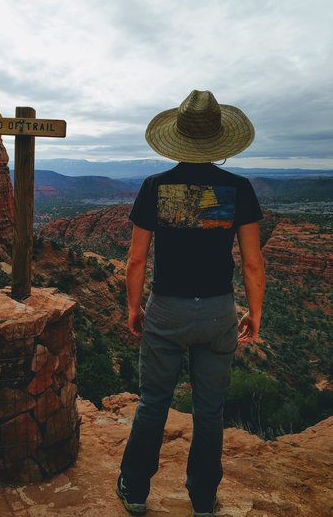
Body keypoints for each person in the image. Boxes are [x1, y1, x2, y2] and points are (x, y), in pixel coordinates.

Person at [116, 90, 265, 516]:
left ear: (177, 137)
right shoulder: (238, 189)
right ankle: (202, 498)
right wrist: (254, 313)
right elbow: (253, 263)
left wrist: (133, 307)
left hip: (166, 308)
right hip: (219, 310)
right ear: (219, 141)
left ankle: (136, 490)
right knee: (209, 409)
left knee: (153, 401)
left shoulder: (155, 186)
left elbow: (136, 258)